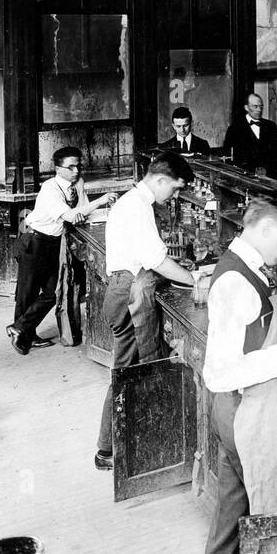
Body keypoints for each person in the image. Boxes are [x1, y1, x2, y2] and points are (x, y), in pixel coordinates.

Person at [201, 194, 277, 554]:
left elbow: (254, 336)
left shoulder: (250, 267)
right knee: (268, 515)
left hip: (245, 409)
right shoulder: (236, 281)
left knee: (231, 515)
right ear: (265, 228)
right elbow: (219, 373)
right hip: (245, 413)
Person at [94, 153, 197, 471]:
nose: (175, 196)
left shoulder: (133, 202)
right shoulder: (138, 207)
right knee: (127, 372)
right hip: (127, 295)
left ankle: (118, 446)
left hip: (122, 290)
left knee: (130, 368)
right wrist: (194, 280)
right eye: (176, 189)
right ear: (161, 180)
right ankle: (108, 450)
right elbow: (157, 261)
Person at [8, 146, 115, 355]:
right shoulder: (51, 189)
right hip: (34, 240)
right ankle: (24, 337)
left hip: (54, 243)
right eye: (71, 167)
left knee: (54, 291)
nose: (76, 171)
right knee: (27, 293)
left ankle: (20, 328)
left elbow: (82, 213)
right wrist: (101, 202)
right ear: (58, 168)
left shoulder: (78, 183)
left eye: (78, 166)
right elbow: (72, 216)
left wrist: (101, 210)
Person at [223, 93, 277, 178]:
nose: (259, 110)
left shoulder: (270, 126)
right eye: (255, 106)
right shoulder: (234, 129)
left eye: (261, 106)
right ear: (246, 108)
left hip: (270, 177)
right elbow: (229, 157)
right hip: (245, 178)